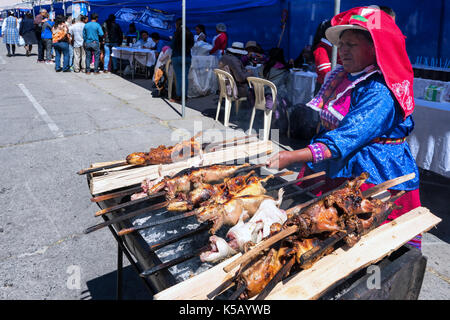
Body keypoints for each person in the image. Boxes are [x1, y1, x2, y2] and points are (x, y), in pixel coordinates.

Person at [266, 7, 422, 249]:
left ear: (375, 49)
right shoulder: (346, 76)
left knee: (365, 236)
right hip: (342, 161)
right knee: (318, 225)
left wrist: (292, 156)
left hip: (374, 173)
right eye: (343, 44)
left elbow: (347, 137)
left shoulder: (380, 92)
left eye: (352, 45)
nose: (343, 50)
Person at [170, 17, 194, 103]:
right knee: (185, 78)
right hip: (187, 57)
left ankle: (179, 96)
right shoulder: (189, 34)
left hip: (177, 57)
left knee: (179, 78)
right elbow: (192, 45)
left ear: (177, 24)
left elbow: (172, 46)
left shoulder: (176, 34)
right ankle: (185, 96)